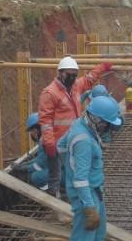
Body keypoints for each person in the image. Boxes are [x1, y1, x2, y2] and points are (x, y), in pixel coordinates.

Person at [58, 96, 123, 241]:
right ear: (97, 119)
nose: (108, 128)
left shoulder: (83, 126)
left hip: (95, 191)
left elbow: (61, 146)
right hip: (86, 196)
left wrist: (69, 163)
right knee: (82, 240)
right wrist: (88, 207)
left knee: (98, 234)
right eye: (107, 124)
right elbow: (80, 179)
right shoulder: (84, 140)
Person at [38, 56, 113, 197]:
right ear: (60, 73)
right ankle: (57, 207)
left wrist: (103, 67)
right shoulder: (50, 93)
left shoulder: (75, 87)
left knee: (74, 172)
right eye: (69, 74)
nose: (72, 77)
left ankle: (74, 201)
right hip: (56, 141)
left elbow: (89, 79)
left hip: (73, 139)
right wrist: (49, 143)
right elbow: (46, 121)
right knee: (56, 176)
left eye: (74, 74)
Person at [18, 112, 49, 190]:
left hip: (66, 174)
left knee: (35, 176)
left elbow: (40, 165)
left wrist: (24, 168)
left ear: (35, 130)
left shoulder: (44, 140)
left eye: (31, 131)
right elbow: (41, 159)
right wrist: (25, 163)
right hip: (67, 168)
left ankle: (49, 192)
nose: (31, 134)